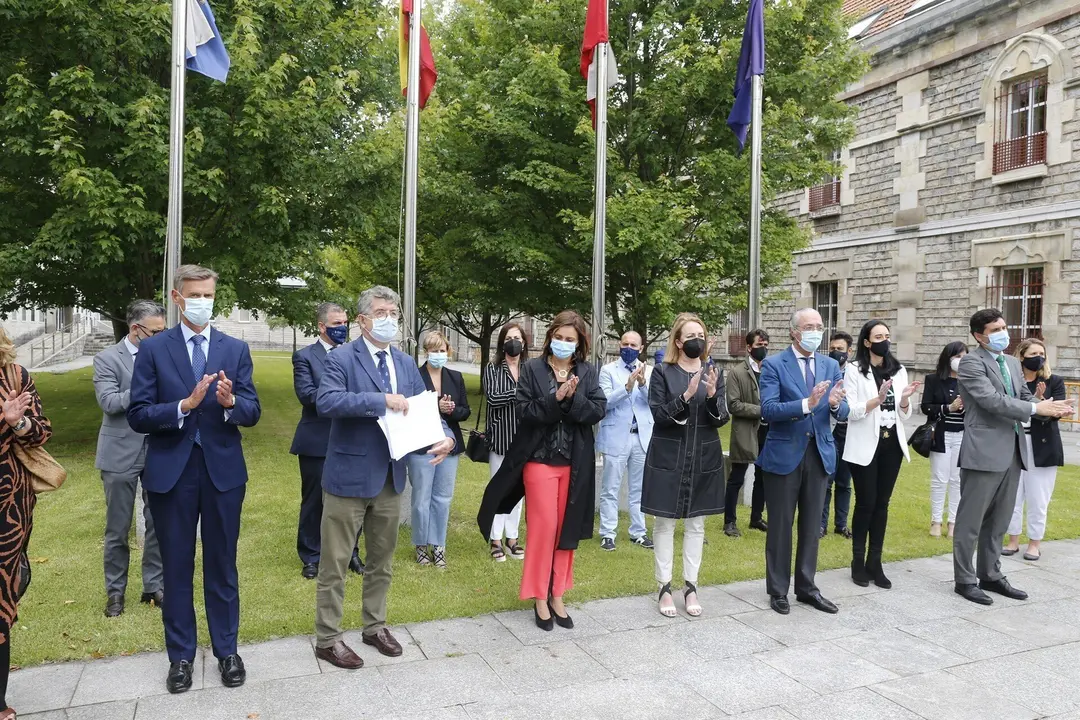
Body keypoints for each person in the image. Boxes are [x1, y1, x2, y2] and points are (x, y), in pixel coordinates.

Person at [127, 265, 262, 693]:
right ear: (177, 297)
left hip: (222, 472)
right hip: (172, 473)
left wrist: (230, 402)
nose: (204, 300)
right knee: (177, 566)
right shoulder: (154, 349)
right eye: (196, 294)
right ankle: (181, 656)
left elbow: (253, 411)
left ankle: (227, 651)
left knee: (223, 564)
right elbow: (138, 414)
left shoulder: (235, 348)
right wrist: (184, 405)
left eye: (210, 294)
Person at [314, 286, 454, 668]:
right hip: (348, 477)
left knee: (382, 560)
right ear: (362, 320)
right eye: (380, 312)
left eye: (393, 312)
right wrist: (379, 400)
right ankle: (327, 638)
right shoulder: (341, 358)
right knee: (336, 563)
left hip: (392, 478)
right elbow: (326, 401)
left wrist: (446, 435)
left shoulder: (406, 363)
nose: (389, 319)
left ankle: (374, 627)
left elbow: (424, 409)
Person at [477, 310, 606, 631]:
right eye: (558, 338)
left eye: (570, 340)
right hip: (539, 462)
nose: (563, 344)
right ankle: (538, 596)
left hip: (575, 464)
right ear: (550, 338)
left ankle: (557, 594)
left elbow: (597, 410)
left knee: (566, 530)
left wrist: (574, 399)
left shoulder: (588, 372)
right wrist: (555, 398)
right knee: (544, 527)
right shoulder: (533, 369)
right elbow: (524, 411)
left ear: (579, 344)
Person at [953, 308, 1072, 606]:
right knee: (971, 521)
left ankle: (990, 574)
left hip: (1013, 451)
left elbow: (1022, 396)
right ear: (979, 336)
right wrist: (1035, 410)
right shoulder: (970, 363)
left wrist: (1050, 405)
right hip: (983, 451)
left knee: (999, 521)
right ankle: (965, 580)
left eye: (1004, 327)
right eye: (995, 330)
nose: (1002, 333)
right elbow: (990, 400)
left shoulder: (1010, 363)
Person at [757, 308, 848, 616]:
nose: (816, 331)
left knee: (812, 526)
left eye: (820, 326)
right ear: (794, 331)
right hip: (784, 455)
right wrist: (806, 405)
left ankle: (807, 587)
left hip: (819, 454)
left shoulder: (830, 364)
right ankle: (778, 590)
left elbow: (843, 408)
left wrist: (836, 405)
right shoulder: (773, 364)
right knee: (781, 526)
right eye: (809, 326)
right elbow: (768, 410)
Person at [641, 313, 729, 617]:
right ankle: (664, 587)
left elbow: (722, 417)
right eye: (691, 336)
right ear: (678, 341)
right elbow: (659, 415)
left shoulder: (714, 371)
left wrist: (713, 395)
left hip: (703, 456)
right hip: (670, 455)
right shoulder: (662, 372)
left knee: (697, 523)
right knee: (664, 523)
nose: (697, 341)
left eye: (701, 335)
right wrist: (687, 395)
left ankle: (690, 586)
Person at [93, 300, 165, 617]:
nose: (162, 337)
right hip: (119, 453)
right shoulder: (106, 359)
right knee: (117, 529)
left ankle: (153, 586)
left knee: (158, 524)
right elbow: (109, 402)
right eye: (156, 332)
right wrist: (145, 384)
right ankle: (115, 593)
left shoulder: (165, 355)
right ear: (136, 329)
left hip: (160, 450)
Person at [842, 320, 921, 589]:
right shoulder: (854, 370)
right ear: (866, 341)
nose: (884, 341)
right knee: (866, 502)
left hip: (891, 445)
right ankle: (857, 562)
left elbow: (904, 414)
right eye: (878, 336)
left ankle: (875, 562)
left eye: (887, 336)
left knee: (882, 504)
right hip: (865, 445)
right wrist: (877, 399)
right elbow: (851, 410)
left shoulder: (899, 371)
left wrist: (904, 399)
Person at [1, 325, 53, 720]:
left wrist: (18, 424)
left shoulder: (15, 377)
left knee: (5, 592)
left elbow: (41, 431)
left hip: (9, 507)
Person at [290, 303, 363, 580]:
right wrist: (343, 395)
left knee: (353, 500)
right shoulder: (304, 357)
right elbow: (308, 396)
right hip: (317, 440)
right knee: (314, 501)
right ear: (322, 326)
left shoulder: (356, 355)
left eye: (345, 322)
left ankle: (351, 552)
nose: (342, 327)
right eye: (336, 323)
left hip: (353, 438)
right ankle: (312, 556)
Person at [408, 331, 470, 568]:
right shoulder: (415, 375)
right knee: (421, 498)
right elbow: (410, 408)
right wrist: (435, 405)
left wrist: (451, 410)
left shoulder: (455, 376)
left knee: (443, 498)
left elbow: (465, 412)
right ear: (426, 352)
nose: (437, 354)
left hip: (450, 446)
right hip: (422, 445)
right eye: (433, 350)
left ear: (448, 351)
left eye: (441, 350)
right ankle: (421, 545)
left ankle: (439, 545)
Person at [1004, 339, 1066, 561]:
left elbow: (1058, 409)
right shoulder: (1011, 382)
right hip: (1015, 443)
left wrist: (1043, 405)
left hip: (1043, 447)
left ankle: (1034, 543)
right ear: (1022, 355)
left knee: (1038, 497)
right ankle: (1013, 540)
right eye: (1034, 352)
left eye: (1042, 353)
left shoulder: (1053, 381)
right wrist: (1035, 404)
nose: (1038, 356)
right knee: (1013, 495)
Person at [596, 330, 654, 551]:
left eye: (633, 345)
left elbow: (654, 402)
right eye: (624, 344)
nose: (628, 348)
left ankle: (638, 532)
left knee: (638, 488)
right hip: (616, 436)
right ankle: (607, 533)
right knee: (610, 488)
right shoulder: (607, 370)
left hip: (641, 437)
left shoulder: (649, 370)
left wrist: (642, 384)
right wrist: (627, 387)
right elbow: (605, 402)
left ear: (641, 348)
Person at [483, 323, 529, 562]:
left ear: (524, 342)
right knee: (499, 489)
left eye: (518, 337)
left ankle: (513, 538)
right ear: (503, 342)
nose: (514, 341)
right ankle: (495, 539)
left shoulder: (530, 368)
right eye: (510, 337)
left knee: (518, 492)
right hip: (501, 437)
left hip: (525, 438)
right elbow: (492, 398)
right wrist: (519, 391)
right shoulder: (492, 368)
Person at [723, 328, 769, 538]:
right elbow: (733, 404)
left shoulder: (770, 370)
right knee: (737, 477)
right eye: (760, 345)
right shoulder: (737, 373)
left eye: (766, 345)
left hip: (769, 430)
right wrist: (760, 411)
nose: (763, 349)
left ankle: (756, 518)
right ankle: (729, 522)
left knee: (763, 476)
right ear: (749, 348)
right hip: (746, 431)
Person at [921, 341, 968, 538]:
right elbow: (926, 406)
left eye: (965, 357)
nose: (961, 361)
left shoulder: (970, 381)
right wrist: (948, 408)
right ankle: (936, 521)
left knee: (957, 479)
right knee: (940, 479)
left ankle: (954, 522)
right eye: (957, 357)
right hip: (940, 434)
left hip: (962, 434)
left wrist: (966, 408)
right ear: (948, 358)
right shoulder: (933, 379)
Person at [821, 331, 854, 539]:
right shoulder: (824, 371)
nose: (835, 353)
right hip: (829, 430)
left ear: (849, 351)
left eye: (840, 349)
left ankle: (841, 524)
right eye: (832, 349)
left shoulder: (856, 374)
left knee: (845, 481)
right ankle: (820, 525)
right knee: (826, 481)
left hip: (850, 431)